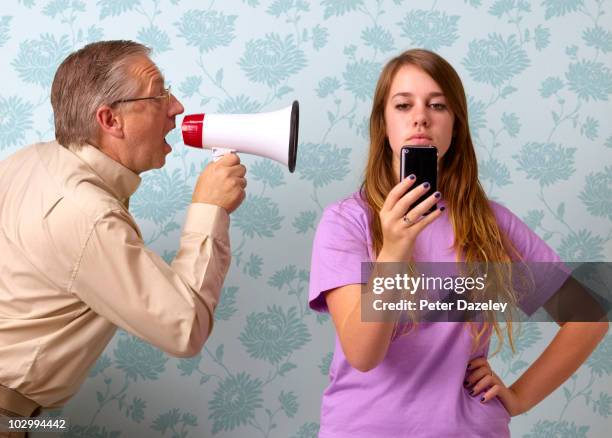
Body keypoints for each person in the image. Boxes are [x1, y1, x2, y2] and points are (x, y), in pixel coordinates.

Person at [308, 49, 608, 437]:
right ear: (383, 124)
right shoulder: (347, 222)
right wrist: (396, 248)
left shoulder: (490, 223)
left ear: (456, 125)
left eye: (438, 105)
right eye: (403, 105)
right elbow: (364, 355)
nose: (420, 117)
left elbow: (588, 317)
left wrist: (519, 396)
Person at [0, 40, 246, 432]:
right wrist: (209, 210)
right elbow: (185, 329)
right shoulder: (85, 214)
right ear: (110, 120)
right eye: (159, 94)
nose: (177, 106)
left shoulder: (29, 161)